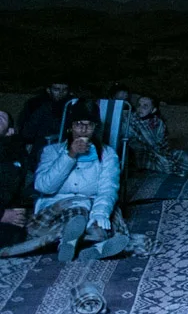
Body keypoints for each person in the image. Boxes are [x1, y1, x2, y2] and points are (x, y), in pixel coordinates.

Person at [0, 111, 126, 262]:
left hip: (95, 203)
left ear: (95, 128)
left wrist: (100, 213)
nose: (83, 129)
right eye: (78, 124)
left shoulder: (107, 154)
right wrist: (70, 156)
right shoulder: (52, 151)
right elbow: (44, 187)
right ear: (70, 128)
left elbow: (108, 189)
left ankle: (78, 244)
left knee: (99, 222)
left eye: (89, 125)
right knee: (78, 213)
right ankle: (89, 244)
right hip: (59, 206)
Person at [123, 94, 188, 176]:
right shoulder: (131, 118)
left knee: (175, 158)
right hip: (136, 148)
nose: (140, 108)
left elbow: (157, 142)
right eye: (139, 105)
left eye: (145, 106)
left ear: (153, 110)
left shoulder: (157, 123)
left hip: (154, 149)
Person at [0, 112, 31, 250]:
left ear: (9, 131)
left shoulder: (14, 157)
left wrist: (16, 214)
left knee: (16, 235)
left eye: (1, 117)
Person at [16, 82, 79, 150]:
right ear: (48, 90)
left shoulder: (73, 105)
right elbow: (26, 129)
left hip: (66, 145)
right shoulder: (36, 105)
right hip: (41, 145)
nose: (61, 93)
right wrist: (28, 141)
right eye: (56, 89)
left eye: (64, 90)